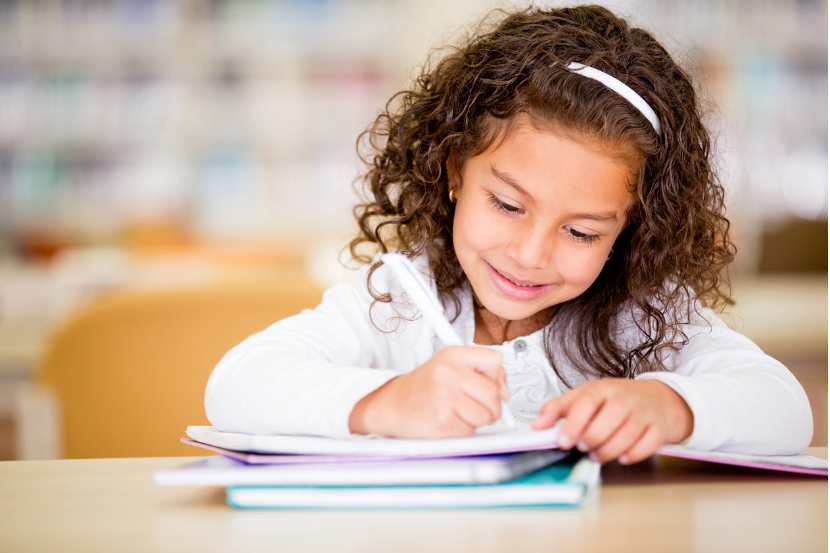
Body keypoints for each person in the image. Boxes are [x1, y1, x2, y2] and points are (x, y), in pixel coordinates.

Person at [204, 5, 813, 463]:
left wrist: (667, 406)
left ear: (632, 230)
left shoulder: (646, 318)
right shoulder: (396, 301)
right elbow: (236, 386)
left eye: (581, 232)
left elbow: (785, 408)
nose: (529, 254)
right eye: (506, 204)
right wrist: (388, 402)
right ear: (454, 171)